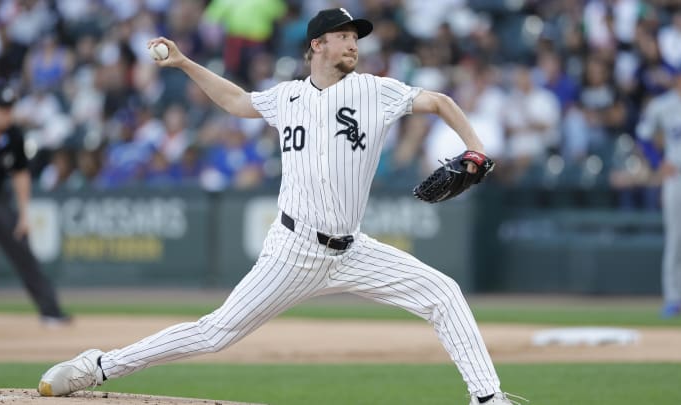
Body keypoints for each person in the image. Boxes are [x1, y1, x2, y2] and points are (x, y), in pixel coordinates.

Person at [38, 9, 519, 405]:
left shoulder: (377, 90)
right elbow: (237, 101)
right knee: (214, 334)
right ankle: (98, 366)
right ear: (317, 46)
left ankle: (487, 398)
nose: (353, 44)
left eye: (356, 37)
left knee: (444, 293)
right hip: (293, 250)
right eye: (343, 36)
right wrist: (185, 63)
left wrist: (477, 149)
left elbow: (439, 102)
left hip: (352, 250)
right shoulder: (286, 97)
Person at [0, 79, 70, 326]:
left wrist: (25, 213)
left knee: (23, 249)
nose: (6, 114)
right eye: (1, 109)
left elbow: (20, 174)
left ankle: (50, 311)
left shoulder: (14, 134)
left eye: (9, 109)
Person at [636, 57, 681, 319]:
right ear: (678, 78)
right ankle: (674, 299)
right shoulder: (663, 105)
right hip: (679, 177)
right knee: (677, 240)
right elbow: (644, 136)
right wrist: (658, 162)